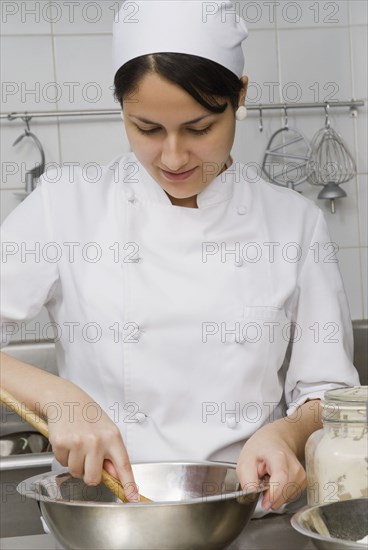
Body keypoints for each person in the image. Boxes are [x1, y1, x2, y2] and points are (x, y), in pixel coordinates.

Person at [0, 0, 359, 513]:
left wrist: (287, 432)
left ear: (240, 95)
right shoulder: (66, 204)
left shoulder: (294, 224)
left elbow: (327, 393)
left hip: (245, 517)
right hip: (106, 521)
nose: (173, 157)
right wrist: (60, 399)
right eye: (146, 129)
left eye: (199, 128)